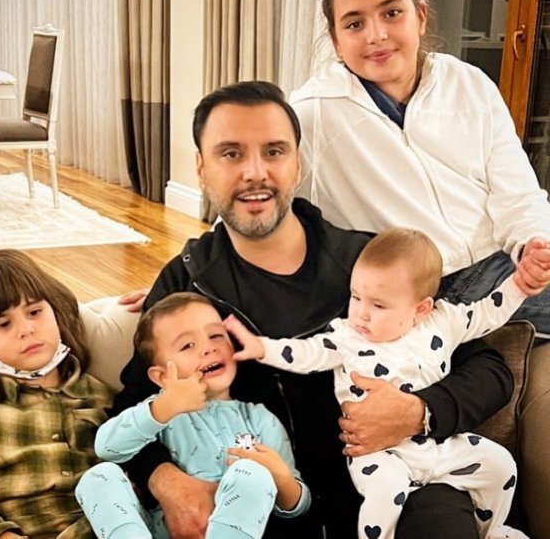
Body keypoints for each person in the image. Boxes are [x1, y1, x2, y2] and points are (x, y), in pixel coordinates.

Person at [113, 80, 514, 539]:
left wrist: (419, 411)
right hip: (265, 514)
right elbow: (131, 403)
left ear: (298, 164)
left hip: (410, 485)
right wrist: (165, 481)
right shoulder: (187, 283)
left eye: (274, 151)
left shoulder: (369, 264)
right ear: (201, 169)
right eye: (231, 154)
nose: (255, 172)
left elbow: (489, 369)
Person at [290, 0, 550, 336]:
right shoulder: (311, 115)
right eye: (354, 24)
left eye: (392, 13)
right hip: (420, 293)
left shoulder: (470, 84)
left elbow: (518, 194)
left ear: (421, 16)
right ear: (336, 41)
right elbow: (253, 202)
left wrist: (534, 244)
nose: (376, 35)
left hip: (500, 265)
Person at [224, 227, 531, 539]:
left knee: (500, 465)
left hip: (438, 446)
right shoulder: (346, 338)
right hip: (380, 456)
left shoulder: (444, 321)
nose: (361, 314)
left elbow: (487, 313)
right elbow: (307, 353)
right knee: (385, 493)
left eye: (378, 305)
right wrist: (263, 348)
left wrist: (519, 285)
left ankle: (493, 530)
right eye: (356, 297)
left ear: (421, 309)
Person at [76, 292, 310, 538]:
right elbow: (107, 448)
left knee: (252, 474)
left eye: (216, 335)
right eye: (187, 345)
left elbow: (298, 507)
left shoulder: (261, 420)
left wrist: (281, 478)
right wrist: (164, 407)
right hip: (160, 530)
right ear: (162, 377)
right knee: (98, 477)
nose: (208, 348)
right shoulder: (158, 412)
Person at [0, 249, 113, 539]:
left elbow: (131, 485)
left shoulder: (101, 397)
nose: (26, 329)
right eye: (3, 324)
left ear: (55, 311)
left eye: (35, 312)